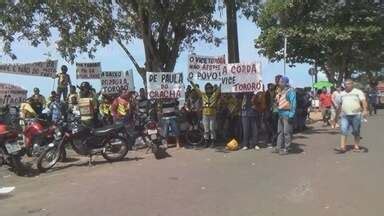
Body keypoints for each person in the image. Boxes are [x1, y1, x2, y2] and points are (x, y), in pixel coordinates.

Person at [335, 79, 368, 153]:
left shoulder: (358, 92)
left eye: (349, 84)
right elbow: (339, 106)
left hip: (356, 115)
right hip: (345, 115)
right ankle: (342, 147)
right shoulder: (341, 94)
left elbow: (363, 101)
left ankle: (356, 146)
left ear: (352, 84)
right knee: (343, 130)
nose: (347, 85)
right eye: (346, 84)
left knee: (356, 131)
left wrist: (365, 110)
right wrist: (336, 117)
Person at [190, 81, 221, 148]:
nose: (209, 89)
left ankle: (213, 142)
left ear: (212, 88)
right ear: (205, 89)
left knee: (212, 128)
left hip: (212, 113)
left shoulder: (215, 94)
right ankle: (206, 142)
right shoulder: (203, 94)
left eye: (210, 88)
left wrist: (224, 80)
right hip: (205, 114)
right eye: (207, 88)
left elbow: (219, 88)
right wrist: (191, 82)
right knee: (206, 129)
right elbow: (196, 88)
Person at [272, 76, 296, 155]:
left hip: (287, 113)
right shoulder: (279, 91)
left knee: (286, 132)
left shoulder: (290, 91)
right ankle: (278, 147)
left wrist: (291, 115)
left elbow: (293, 103)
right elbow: (276, 102)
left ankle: (287, 148)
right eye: (279, 81)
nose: (279, 83)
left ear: (286, 83)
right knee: (280, 132)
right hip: (280, 114)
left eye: (282, 82)